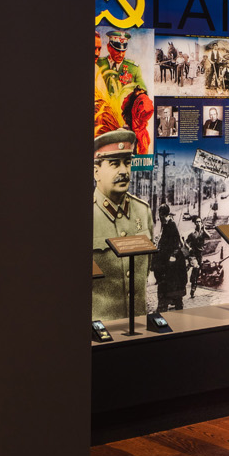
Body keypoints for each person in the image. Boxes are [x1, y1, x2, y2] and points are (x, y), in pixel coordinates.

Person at [91, 129, 151, 323]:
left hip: (139, 328)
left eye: (127, 163)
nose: (124, 171)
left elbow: (146, 269)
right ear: (96, 171)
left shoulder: (143, 211)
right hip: (99, 335)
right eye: (114, 164)